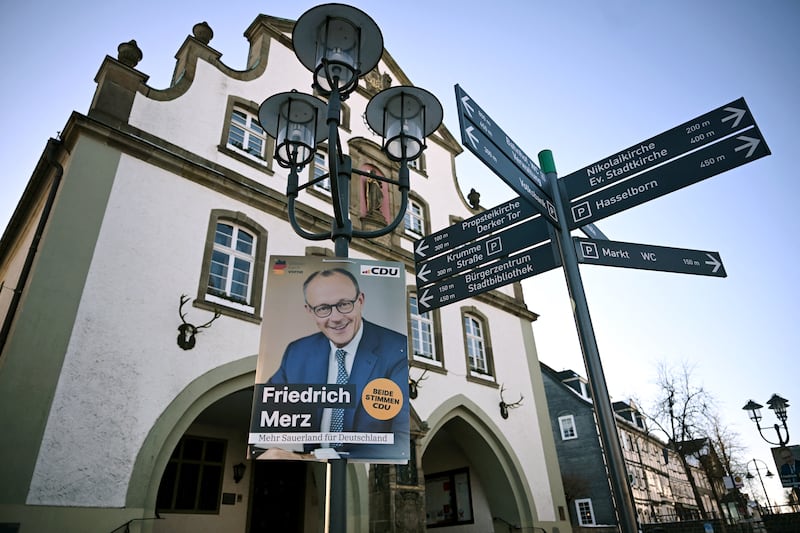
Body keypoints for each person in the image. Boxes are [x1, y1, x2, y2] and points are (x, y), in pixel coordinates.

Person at [268, 268, 409, 459]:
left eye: (344, 304)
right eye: (323, 308)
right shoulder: (298, 352)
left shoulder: (395, 349)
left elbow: (402, 442)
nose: (335, 318)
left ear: (360, 301)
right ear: (310, 311)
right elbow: (269, 408)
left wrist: (314, 457)